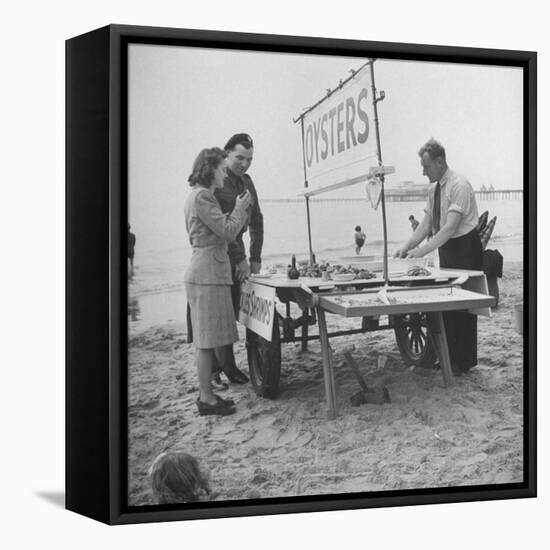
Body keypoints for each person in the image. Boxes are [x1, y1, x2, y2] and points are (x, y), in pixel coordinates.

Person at [394, 138, 481, 375]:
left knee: (463, 306)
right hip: (447, 247)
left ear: (440, 162)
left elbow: (450, 228)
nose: (423, 171)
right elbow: (425, 226)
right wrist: (406, 248)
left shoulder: (459, 185)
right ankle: (447, 357)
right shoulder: (433, 189)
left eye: (426, 166)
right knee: (446, 302)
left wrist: (421, 252)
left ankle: (462, 362)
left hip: (465, 246)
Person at [184, 147, 252, 415]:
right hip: (207, 275)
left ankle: (208, 395)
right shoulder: (202, 196)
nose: (226, 172)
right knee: (206, 342)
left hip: (207, 273)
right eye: (222, 168)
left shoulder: (200, 195)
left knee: (207, 340)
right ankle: (207, 399)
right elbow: (227, 230)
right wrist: (240, 208)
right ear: (210, 168)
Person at [212, 133, 264, 386]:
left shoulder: (247, 181)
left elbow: (257, 221)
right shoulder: (218, 182)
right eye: (240, 157)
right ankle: (221, 369)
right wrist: (240, 259)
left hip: (240, 249)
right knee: (220, 312)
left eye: (249, 159)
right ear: (227, 153)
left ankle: (228, 366)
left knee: (237, 308)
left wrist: (255, 258)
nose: (244, 164)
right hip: (219, 252)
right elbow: (223, 228)